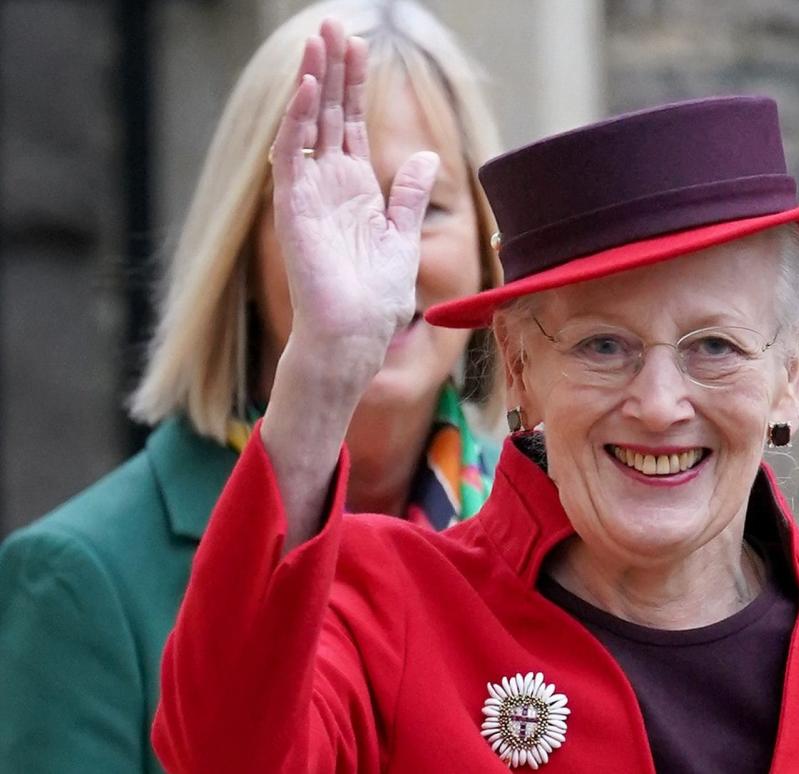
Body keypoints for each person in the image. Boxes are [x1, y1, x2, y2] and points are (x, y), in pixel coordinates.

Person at [152, 20, 799, 774]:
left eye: (714, 348)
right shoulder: (394, 603)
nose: (659, 403)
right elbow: (223, 756)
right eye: (602, 346)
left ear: (789, 376)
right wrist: (326, 370)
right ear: (519, 371)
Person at [0, 4, 504, 771]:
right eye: (341, 209)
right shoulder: (80, 578)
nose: (383, 256)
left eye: (423, 207)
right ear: (241, 252)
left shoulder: (557, 529)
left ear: (485, 249)